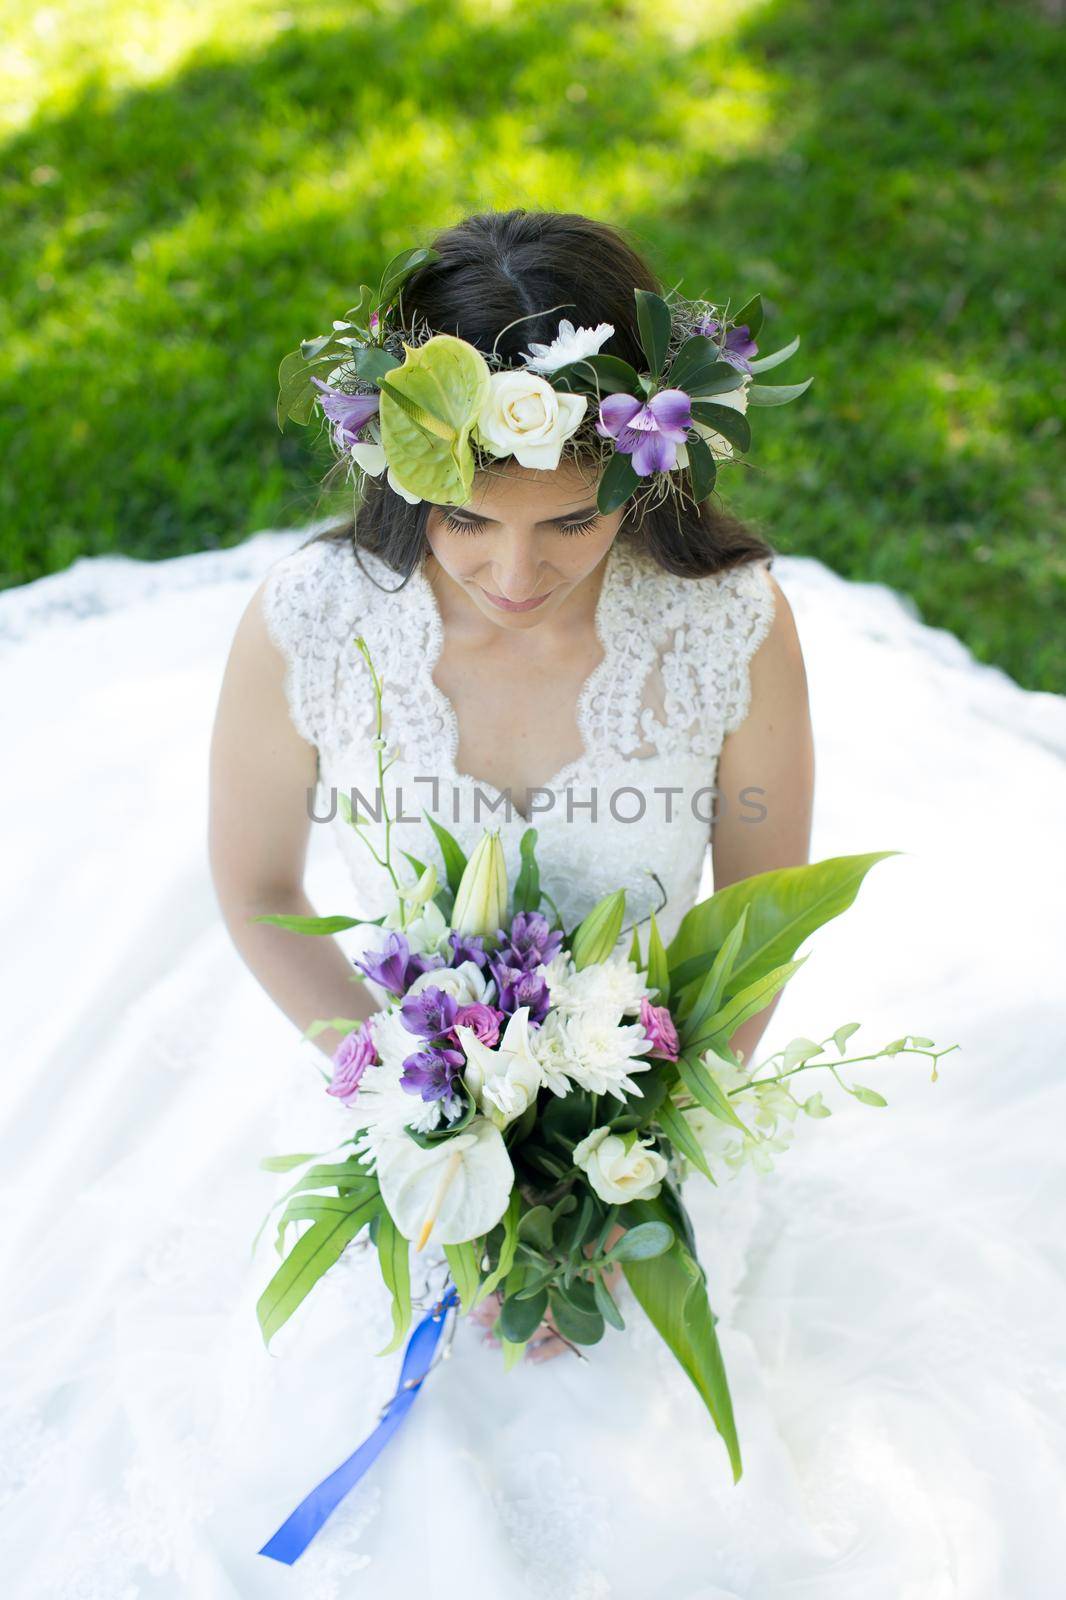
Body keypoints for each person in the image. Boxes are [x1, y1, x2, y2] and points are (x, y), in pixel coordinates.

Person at [208, 210, 815, 1375]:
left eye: (573, 521)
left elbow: (760, 929)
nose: (515, 572)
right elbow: (254, 885)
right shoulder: (314, 623)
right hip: (392, 1105)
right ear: (405, 475)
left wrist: (616, 1178)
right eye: (467, 520)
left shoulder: (729, 626)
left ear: (649, 466)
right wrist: (425, 1117)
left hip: (643, 1130)